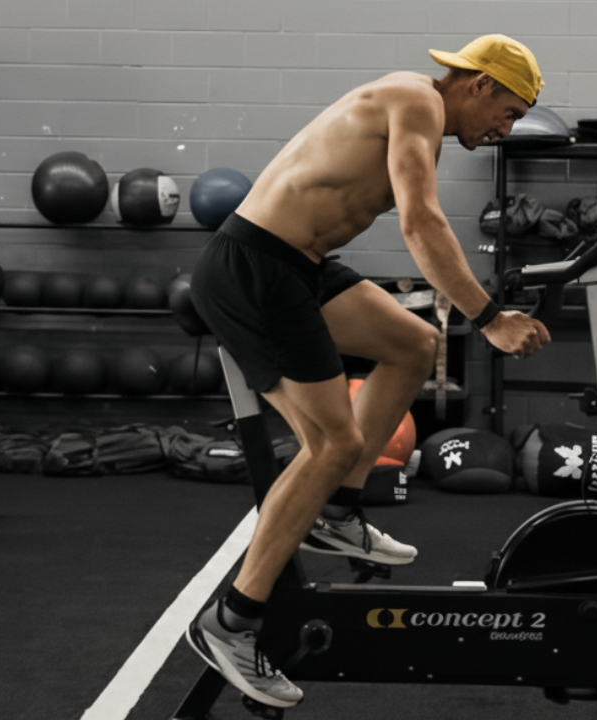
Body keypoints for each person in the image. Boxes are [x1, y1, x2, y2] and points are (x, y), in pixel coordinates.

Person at [185, 35, 551, 708]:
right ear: (478, 86)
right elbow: (421, 220)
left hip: (297, 266)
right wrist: (489, 316)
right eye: (510, 112)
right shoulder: (416, 101)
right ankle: (230, 622)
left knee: (413, 345)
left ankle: (338, 510)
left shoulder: (422, 113)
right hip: (256, 268)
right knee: (334, 443)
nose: (506, 129)